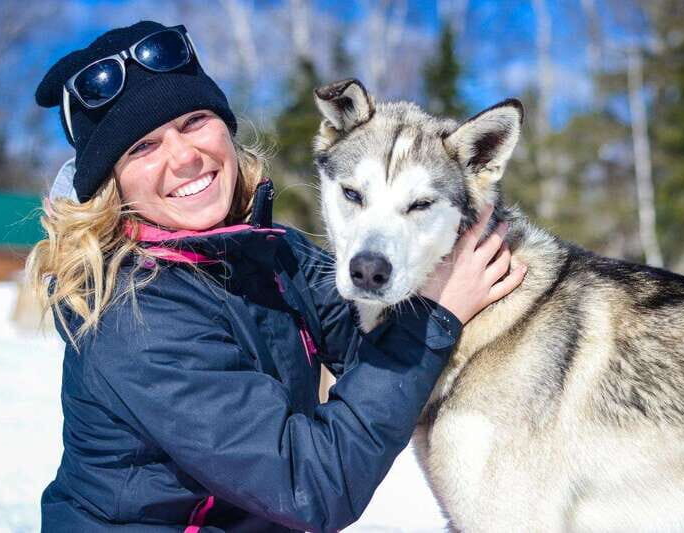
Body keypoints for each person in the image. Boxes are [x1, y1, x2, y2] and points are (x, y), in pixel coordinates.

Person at [27, 21, 526, 532]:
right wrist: (440, 314)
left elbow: (368, 348)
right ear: (112, 183)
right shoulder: (135, 313)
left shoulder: (269, 251)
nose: (183, 157)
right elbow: (308, 485)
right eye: (143, 148)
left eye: (194, 121)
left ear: (225, 126)